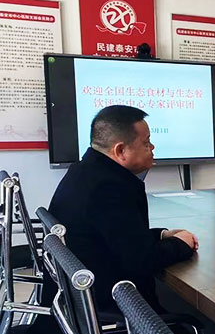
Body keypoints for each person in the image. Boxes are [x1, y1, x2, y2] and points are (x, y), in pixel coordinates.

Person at [47, 105, 197, 311]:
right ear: (120, 151)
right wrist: (182, 244)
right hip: (116, 307)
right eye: (146, 143)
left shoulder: (85, 171)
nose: (152, 147)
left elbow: (117, 237)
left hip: (81, 297)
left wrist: (161, 235)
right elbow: (142, 261)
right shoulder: (110, 188)